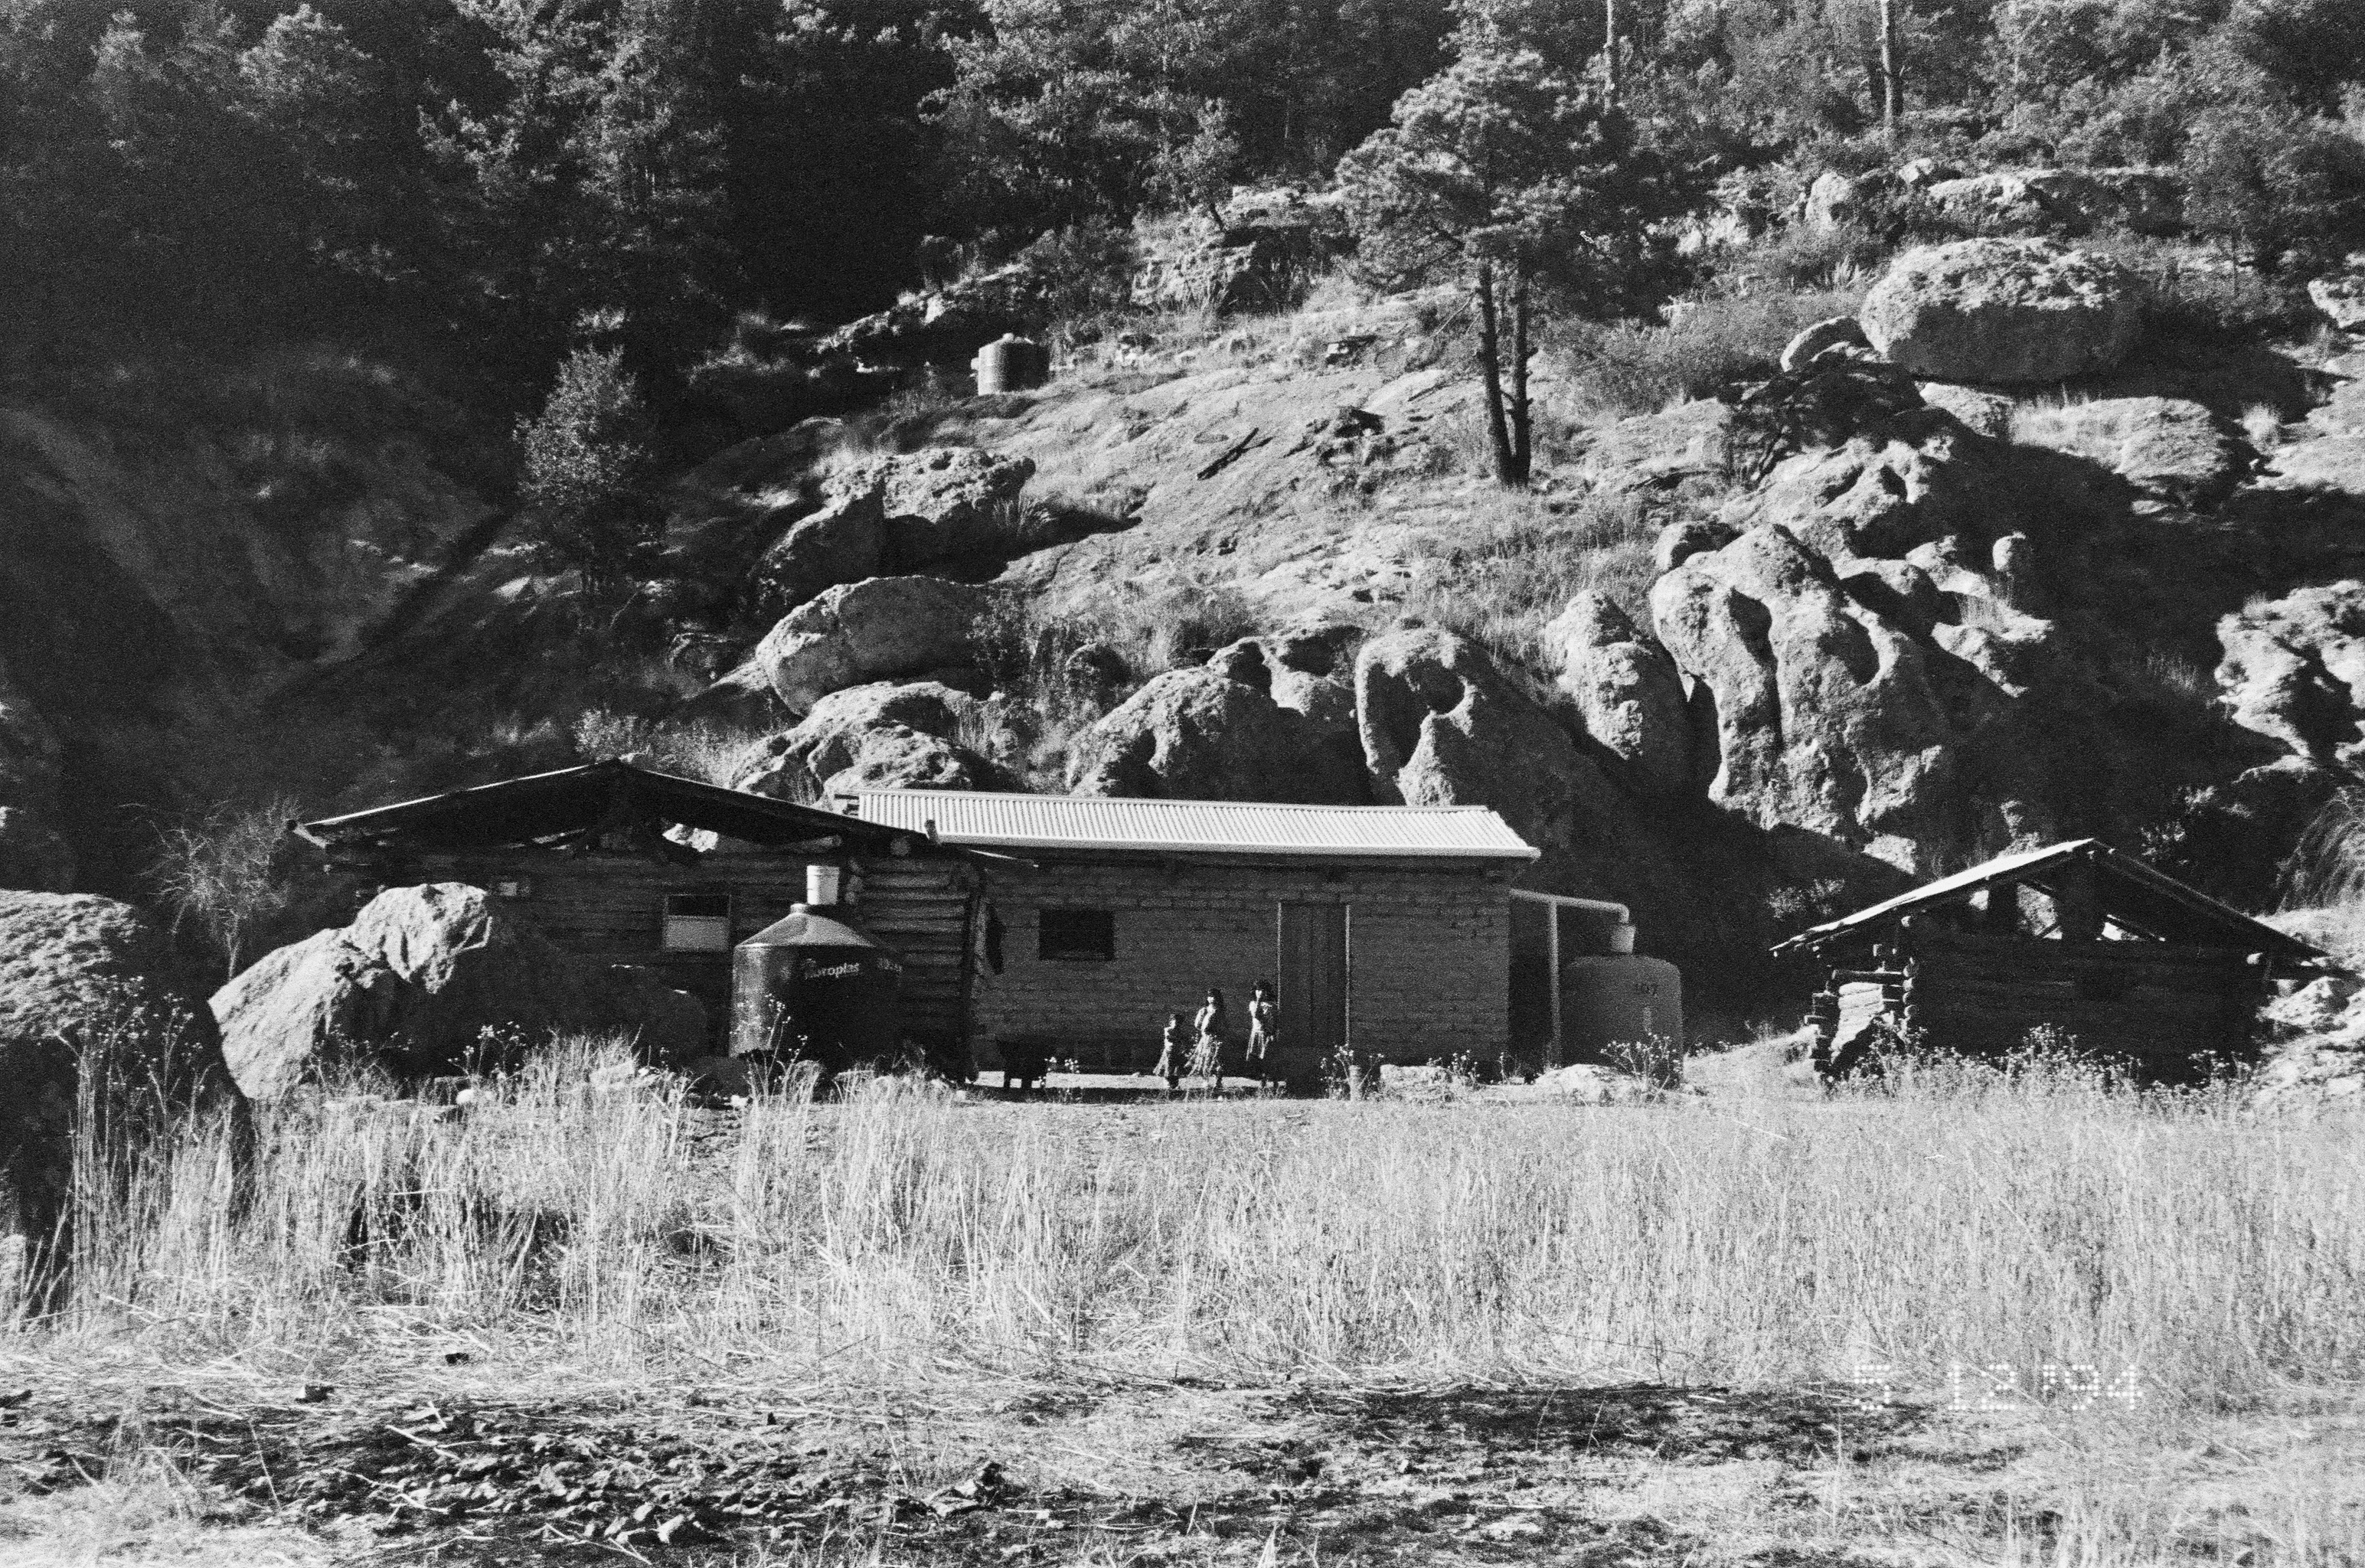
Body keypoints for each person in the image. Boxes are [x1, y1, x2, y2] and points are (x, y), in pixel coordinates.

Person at [1191, 988, 1229, 1093]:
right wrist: (1206, 1028)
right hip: (1207, 1038)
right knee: (1206, 1060)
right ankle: (1205, 1081)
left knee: (1219, 1060)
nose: (1212, 999)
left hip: (1218, 1038)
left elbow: (1225, 1024)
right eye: (1210, 997)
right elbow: (1197, 1024)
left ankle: (1218, 1081)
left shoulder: (1221, 1011)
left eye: (1214, 997)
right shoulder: (1204, 1010)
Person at [1246, 980, 1278, 1089]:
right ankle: (1262, 1082)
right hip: (1257, 1034)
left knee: (1269, 1058)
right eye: (1258, 990)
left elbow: (1275, 1020)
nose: (1260, 993)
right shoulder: (1253, 1004)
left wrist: (1273, 1032)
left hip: (1268, 1034)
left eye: (1263, 991)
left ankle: (1274, 1082)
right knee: (1258, 1059)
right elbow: (1256, 1015)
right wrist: (1259, 1000)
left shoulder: (1272, 1005)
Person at [1155, 1011, 1191, 1095]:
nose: (1177, 1025)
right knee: (1169, 1068)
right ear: (1171, 1022)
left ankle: (1174, 1084)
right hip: (1170, 1051)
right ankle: (1167, 1083)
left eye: (1179, 1023)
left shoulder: (1180, 1031)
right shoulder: (1168, 1030)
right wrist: (1180, 1039)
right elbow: (1170, 1038)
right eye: (1176, 1022)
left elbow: (1184, 1040)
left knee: (1176, 1069)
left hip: (1178, 1052)